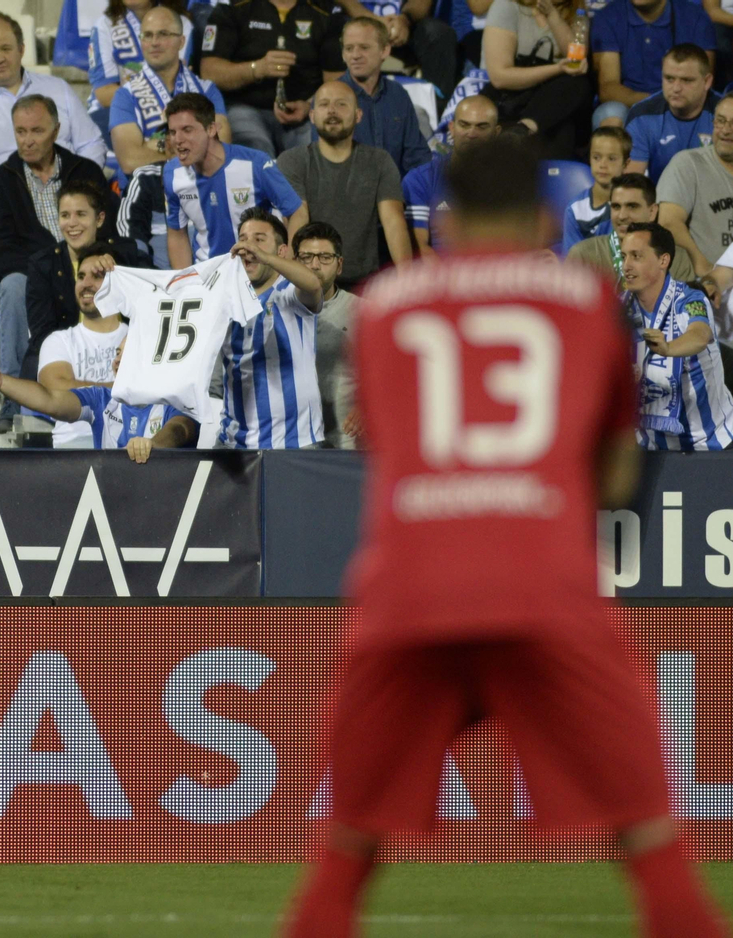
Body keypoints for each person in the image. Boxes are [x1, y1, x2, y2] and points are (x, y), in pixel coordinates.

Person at [282, 138, 730, 938]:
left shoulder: (387, 308)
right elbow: (618, 473)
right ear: (546, 215)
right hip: (544, 586)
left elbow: (390, 451)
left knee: (344, 857)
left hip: (411, 593)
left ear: (446, 219)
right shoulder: (583, 304)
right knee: (655, 850)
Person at [0, 11, 106, 351]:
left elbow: (92, 143)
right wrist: (14, 185)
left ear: (22, 48)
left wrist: (77, 183)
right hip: (8, 194)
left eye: (5, 48)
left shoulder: (58, 90)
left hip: (64, 182)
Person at [0, 95, 116, 426]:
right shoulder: (0, 181)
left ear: (56, 131)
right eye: (20, 131)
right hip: (36, 276)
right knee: (12, 286)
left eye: (37, 131)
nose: (27, 140)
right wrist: (53, 263)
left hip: (89, 268)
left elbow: (110, 230)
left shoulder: (83, 171)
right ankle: (13, 397)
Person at [109, 3, 230, 268]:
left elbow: (222, 149)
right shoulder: (126, 95)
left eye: (163, 34)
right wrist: (192, 144)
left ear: (181, 40)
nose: (154, 42)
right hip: (149, 199)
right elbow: (130, 159)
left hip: (202, 190)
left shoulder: (207, 90)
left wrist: (154, 143)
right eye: (147, 35)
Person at [0, 338, 199, 458]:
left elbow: (181, 429)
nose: (117, 361)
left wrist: (152, 444)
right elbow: (50, 400)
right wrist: (2, 381)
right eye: (117, 354)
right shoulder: (101, 399)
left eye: (127, 355)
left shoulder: (174, 401)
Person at [278, 80, 411, 287]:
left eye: (341, 104)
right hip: (312, 283)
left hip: (365, 286)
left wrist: (408, 280)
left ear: (358, 115)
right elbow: (298, 216)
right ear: (312, 116)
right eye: (323, 104)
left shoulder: (380, 161)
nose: (332, 110)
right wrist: (294, 280)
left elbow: (393, 222)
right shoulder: (293, 160)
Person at [212, 206, 326, 448]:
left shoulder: (290, 292)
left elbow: (313, 284)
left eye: (259, 240)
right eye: (243, 240)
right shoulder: (222, 298)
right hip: (233, 444)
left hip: (295, 444)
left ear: (281, 250)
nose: (248, 247)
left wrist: (263, 256)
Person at [161, 93, 307, 271]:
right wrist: (183, 283)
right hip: (208, 277)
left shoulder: (255, 163)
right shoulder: (172, 174)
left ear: (211, 129)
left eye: (187, 130)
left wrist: (288, 265)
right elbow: (177, 233)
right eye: (173, 132)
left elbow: (297, 212)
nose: (177, 140)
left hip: (256, 274)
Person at [621, 222, 733, 449]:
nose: (626, 266)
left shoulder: (691, 300)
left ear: (663, 260)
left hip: (711, 442)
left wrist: (667, 349)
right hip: (650, 446)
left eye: (636, 256)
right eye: (624, 256)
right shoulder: (619, 309)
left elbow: (700, 335)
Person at [196, 0, 344, 156]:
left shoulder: (326, 14)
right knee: (255, 148)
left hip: (304, 113)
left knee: (311, 152)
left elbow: (335, 80)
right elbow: (209, 71)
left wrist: (310, 105)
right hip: (244, 107)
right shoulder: (233, 9)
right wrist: (257, 69)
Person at [27, 190, 147, 379]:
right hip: (64, 362)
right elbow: (42, 334)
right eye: (65, 215)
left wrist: (118, 273)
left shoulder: (125, 254)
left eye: (81, 214)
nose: (72, 223)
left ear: (99, 219)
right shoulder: (43, 264)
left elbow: (150, 306)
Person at [32, 261, 131, 447]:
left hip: (128, 444)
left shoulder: (137, 337)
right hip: (73, 445)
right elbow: (55, 391)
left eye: (96, 276)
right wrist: (120, 389)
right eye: (81, 276)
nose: (86, 283)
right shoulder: (58, 340)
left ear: (117, 284)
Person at [479, 0, 590, 156]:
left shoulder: (576, 13)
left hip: (549, 103)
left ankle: (522, 130)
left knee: (577, 86)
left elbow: (576, 62)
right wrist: (557, 68)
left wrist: (553, 16)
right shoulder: (507, 6)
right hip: (510, 97)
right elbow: (500, 77)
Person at [592, 0, 716, 128]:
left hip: (682, 104)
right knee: (612, 113)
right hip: (630, 104)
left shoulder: (695, 17)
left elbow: (702, 83)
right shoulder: (608, 16)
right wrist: (656, 103)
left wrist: (672, 102)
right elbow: (609, 88)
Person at [403, 94, 499, 256]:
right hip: (442, 276)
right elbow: (420, 248)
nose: (471, 133)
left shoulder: (514, 181)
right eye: (464, 125)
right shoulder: (420, 179)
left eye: (482, 127)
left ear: (496, 132)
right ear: (452, 128)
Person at [335, 17, 431, 174]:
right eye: (349, 48)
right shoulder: (329, 99)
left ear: (385, 50)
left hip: (397, 194)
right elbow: (324, 166)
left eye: (364, 47)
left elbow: (417, 157)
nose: (355, 55)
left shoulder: (398, 95)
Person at [87, 0, 194, 138]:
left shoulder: (181, 23)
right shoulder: (105, 25)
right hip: (111, 112)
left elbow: (177, 87)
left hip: (168, 112)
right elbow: (105, 95)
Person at [293, 221, 357, 448]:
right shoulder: (274, 310)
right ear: (293, 263)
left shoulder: (364, 313)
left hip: (345, 443)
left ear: (339, 265)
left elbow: (396, 374)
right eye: (306, 257)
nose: (315, 265)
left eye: (325, 257)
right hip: (289, 444)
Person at [569, 171, 701, 283]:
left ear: (652, 212)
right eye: (616, 207)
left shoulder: (677, 259)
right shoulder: (583, 256)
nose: (621, 216)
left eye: (632, 206)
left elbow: (684, 310)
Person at [658, 94, 733, 282]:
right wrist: (704, 269)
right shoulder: (688, 164)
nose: (726, 130)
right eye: (720, 121)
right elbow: (668, 222)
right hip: (707, 286)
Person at [623, 45, 719, 180]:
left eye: (686, 80)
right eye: (669, 79)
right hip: (660, 198)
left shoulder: (725, 114)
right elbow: (631, 184)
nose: (676, 88)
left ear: (707, 81)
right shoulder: (642, 116)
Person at [327, 0, 459, 95]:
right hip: (353, 19)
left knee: (438, 33)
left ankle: (438, 106)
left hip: (401, 25)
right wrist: (372, 20)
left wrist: (404, 19)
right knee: (333, 32)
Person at [559, 125, 629, 255]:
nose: (603, 165)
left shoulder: (632, 206)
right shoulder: (575, 209)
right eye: (596, 157)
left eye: (611, 159)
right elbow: (572, 259)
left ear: (625, 164)